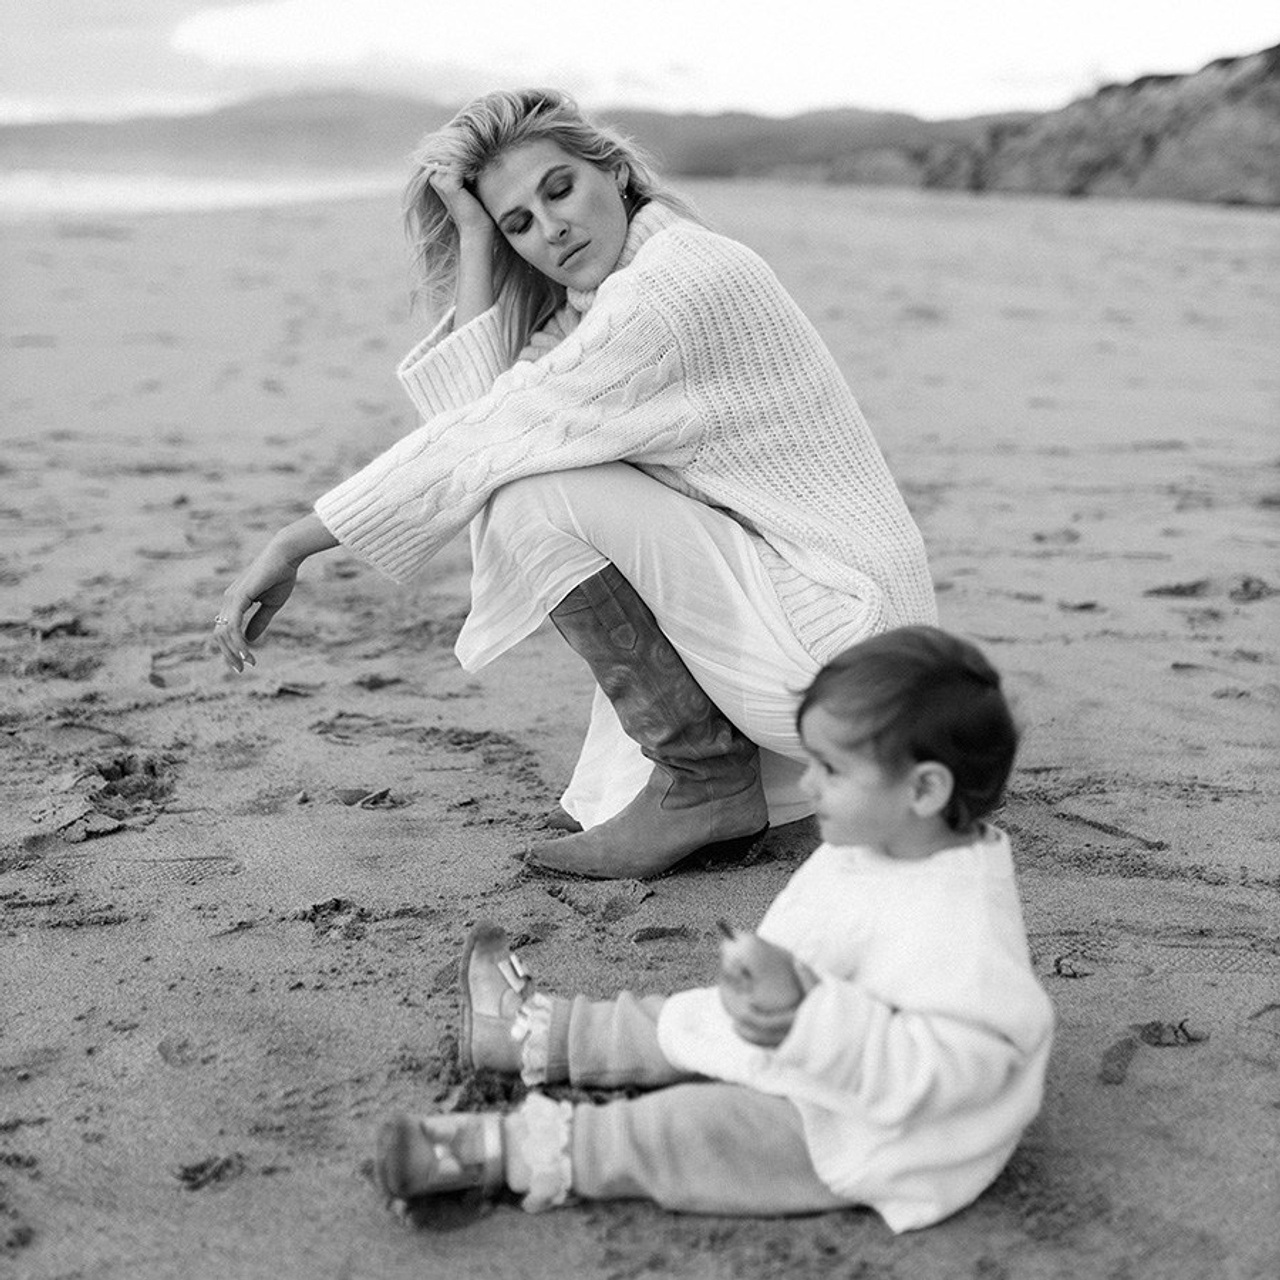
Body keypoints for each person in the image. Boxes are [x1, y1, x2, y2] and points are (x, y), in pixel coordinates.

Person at [212, 88, 937, 879]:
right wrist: (474, 239)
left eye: (559, 189)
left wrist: (294, 543)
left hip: (841, 645)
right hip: (857, 657)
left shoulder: (670, 286)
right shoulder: (608, 297)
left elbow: (489, 440)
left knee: (534, 493)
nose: (550, 228)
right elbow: (483, 413)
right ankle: (684, 778)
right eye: (518, 222)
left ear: (615, 172)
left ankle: (703, 778)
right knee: (531, 466)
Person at [374, 626, 1055, 1230]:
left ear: (925, 790)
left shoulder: (962, 930)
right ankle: (528, 1034)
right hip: (811, 1040)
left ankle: (504, 1152)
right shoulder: (888, 839)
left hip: (874, 1133)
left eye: (833, 770)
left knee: (687, 1132)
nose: (809, 785)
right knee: (679, 1020)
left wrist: (810, 1016)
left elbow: (950, 1070)